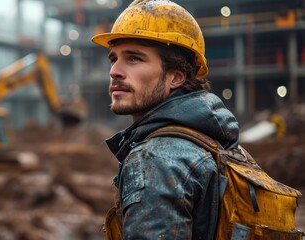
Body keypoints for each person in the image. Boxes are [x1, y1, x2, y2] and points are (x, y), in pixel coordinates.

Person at [91, 0, 239, 239]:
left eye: (133, 59)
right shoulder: (216, 143)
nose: (114, 71)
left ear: (175, 77)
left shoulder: (155, 158)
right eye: (113, 59)